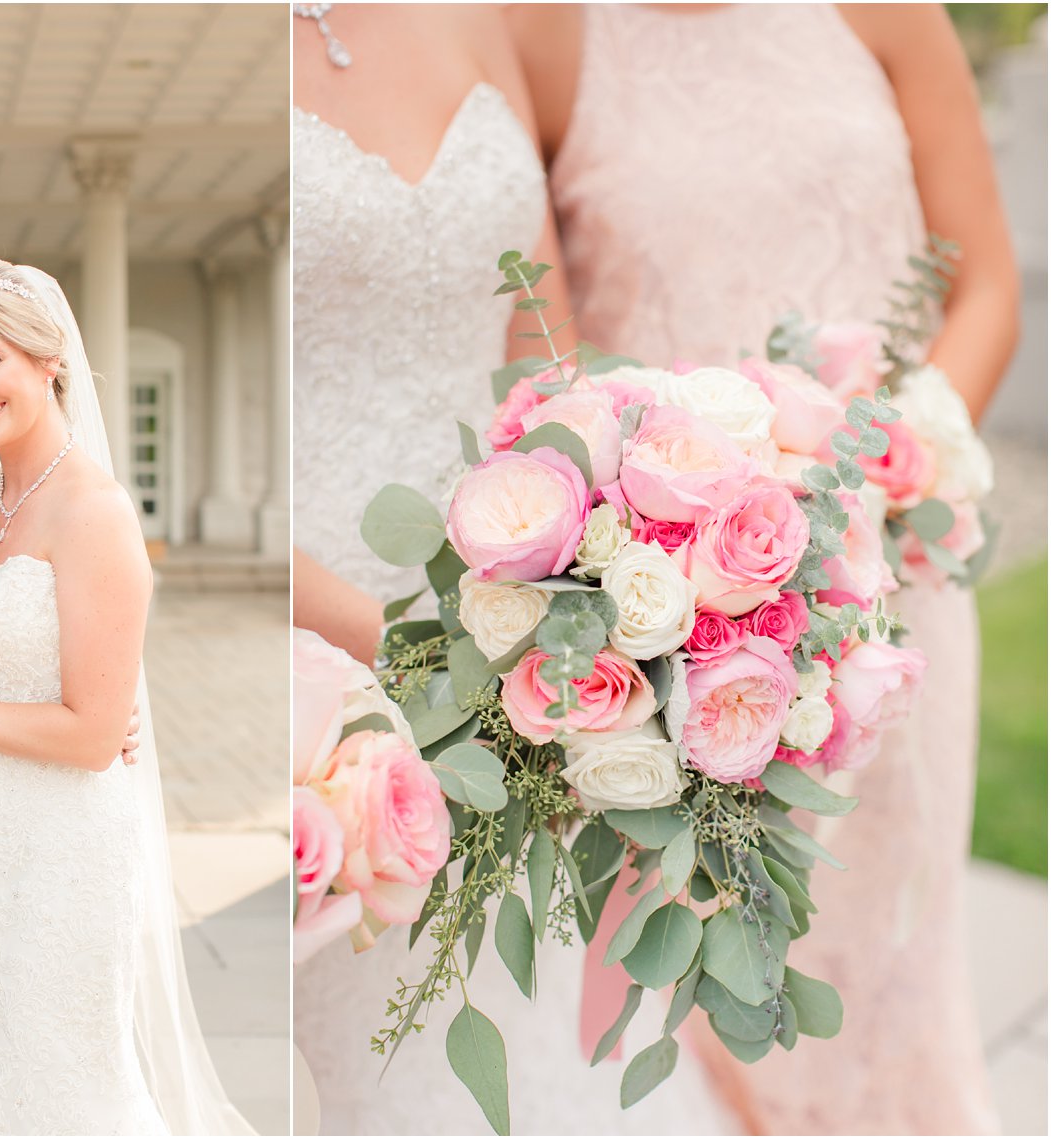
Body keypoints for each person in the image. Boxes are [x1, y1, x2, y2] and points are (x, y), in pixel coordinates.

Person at [509, 4, 1018, 1132]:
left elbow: (982, 280)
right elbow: (542, 354)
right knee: (686, 989)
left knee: (884, 979)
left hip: (886, 597)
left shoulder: (884, 13)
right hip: (669, 625)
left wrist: (891, 473)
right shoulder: (543, 36)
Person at [290, 5, 733, 1133]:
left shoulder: (480, 13)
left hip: (510, 604)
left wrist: (595, 576)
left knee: (504, 1001)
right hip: (308, 638)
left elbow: (544, 348)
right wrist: (415, 647)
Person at [0, 257, 251, 1135]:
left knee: (53, 1072)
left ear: (48, 358)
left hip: (60, 845)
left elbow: (93, 735)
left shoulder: (95, 511)